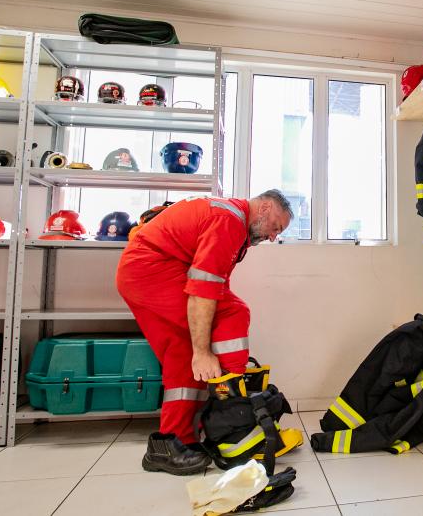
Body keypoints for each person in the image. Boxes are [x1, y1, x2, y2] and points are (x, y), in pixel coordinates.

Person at [116, 189, 293, 475]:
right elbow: (205, 291)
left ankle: (172, 442)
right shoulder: (229, 221)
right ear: (264, 208)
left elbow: (215, 285)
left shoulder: (234, 224)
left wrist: (199, 352)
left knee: (181, 355)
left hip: (142, 273)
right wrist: (203, 352)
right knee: (233, 313)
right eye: (276, 227)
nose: (273, 236)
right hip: (152, 271)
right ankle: (233, 420)